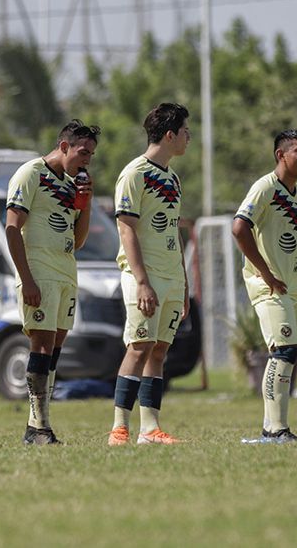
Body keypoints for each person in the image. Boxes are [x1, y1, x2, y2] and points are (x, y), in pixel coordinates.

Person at [6, 119, 98, 445]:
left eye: (91, 154)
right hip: (39, 272)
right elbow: (12, 228)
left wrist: (85, 204)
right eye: (83, 152)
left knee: (55, 349)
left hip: (65, 272)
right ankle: (38, 426)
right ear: (63, 146)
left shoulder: (74, 183)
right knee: (41, 345)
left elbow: (79, 239)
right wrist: (26, 278)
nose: (87, 160)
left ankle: (39, 425)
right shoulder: (31, 173)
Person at [107, 102, 190, 446]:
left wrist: (184, 284)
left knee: (159, 351)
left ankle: (149, 429)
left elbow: (172, 232)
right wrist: (142, 281)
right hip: (144, 277)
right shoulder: (134, 174)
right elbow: (126, 229)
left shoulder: (172, 177)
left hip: (172, 278)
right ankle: (118, 427)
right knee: (139, 346)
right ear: (170, 135)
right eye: (186, 131)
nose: (189, 138)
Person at [232, 130, 297, 444]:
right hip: (269, 286)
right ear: (280, 155)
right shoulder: (265, 187)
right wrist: (265, 273)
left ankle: (272, 428)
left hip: (294, 285)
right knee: (284, 350)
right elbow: (239, 228)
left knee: (288, 352)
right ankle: (275, 431)